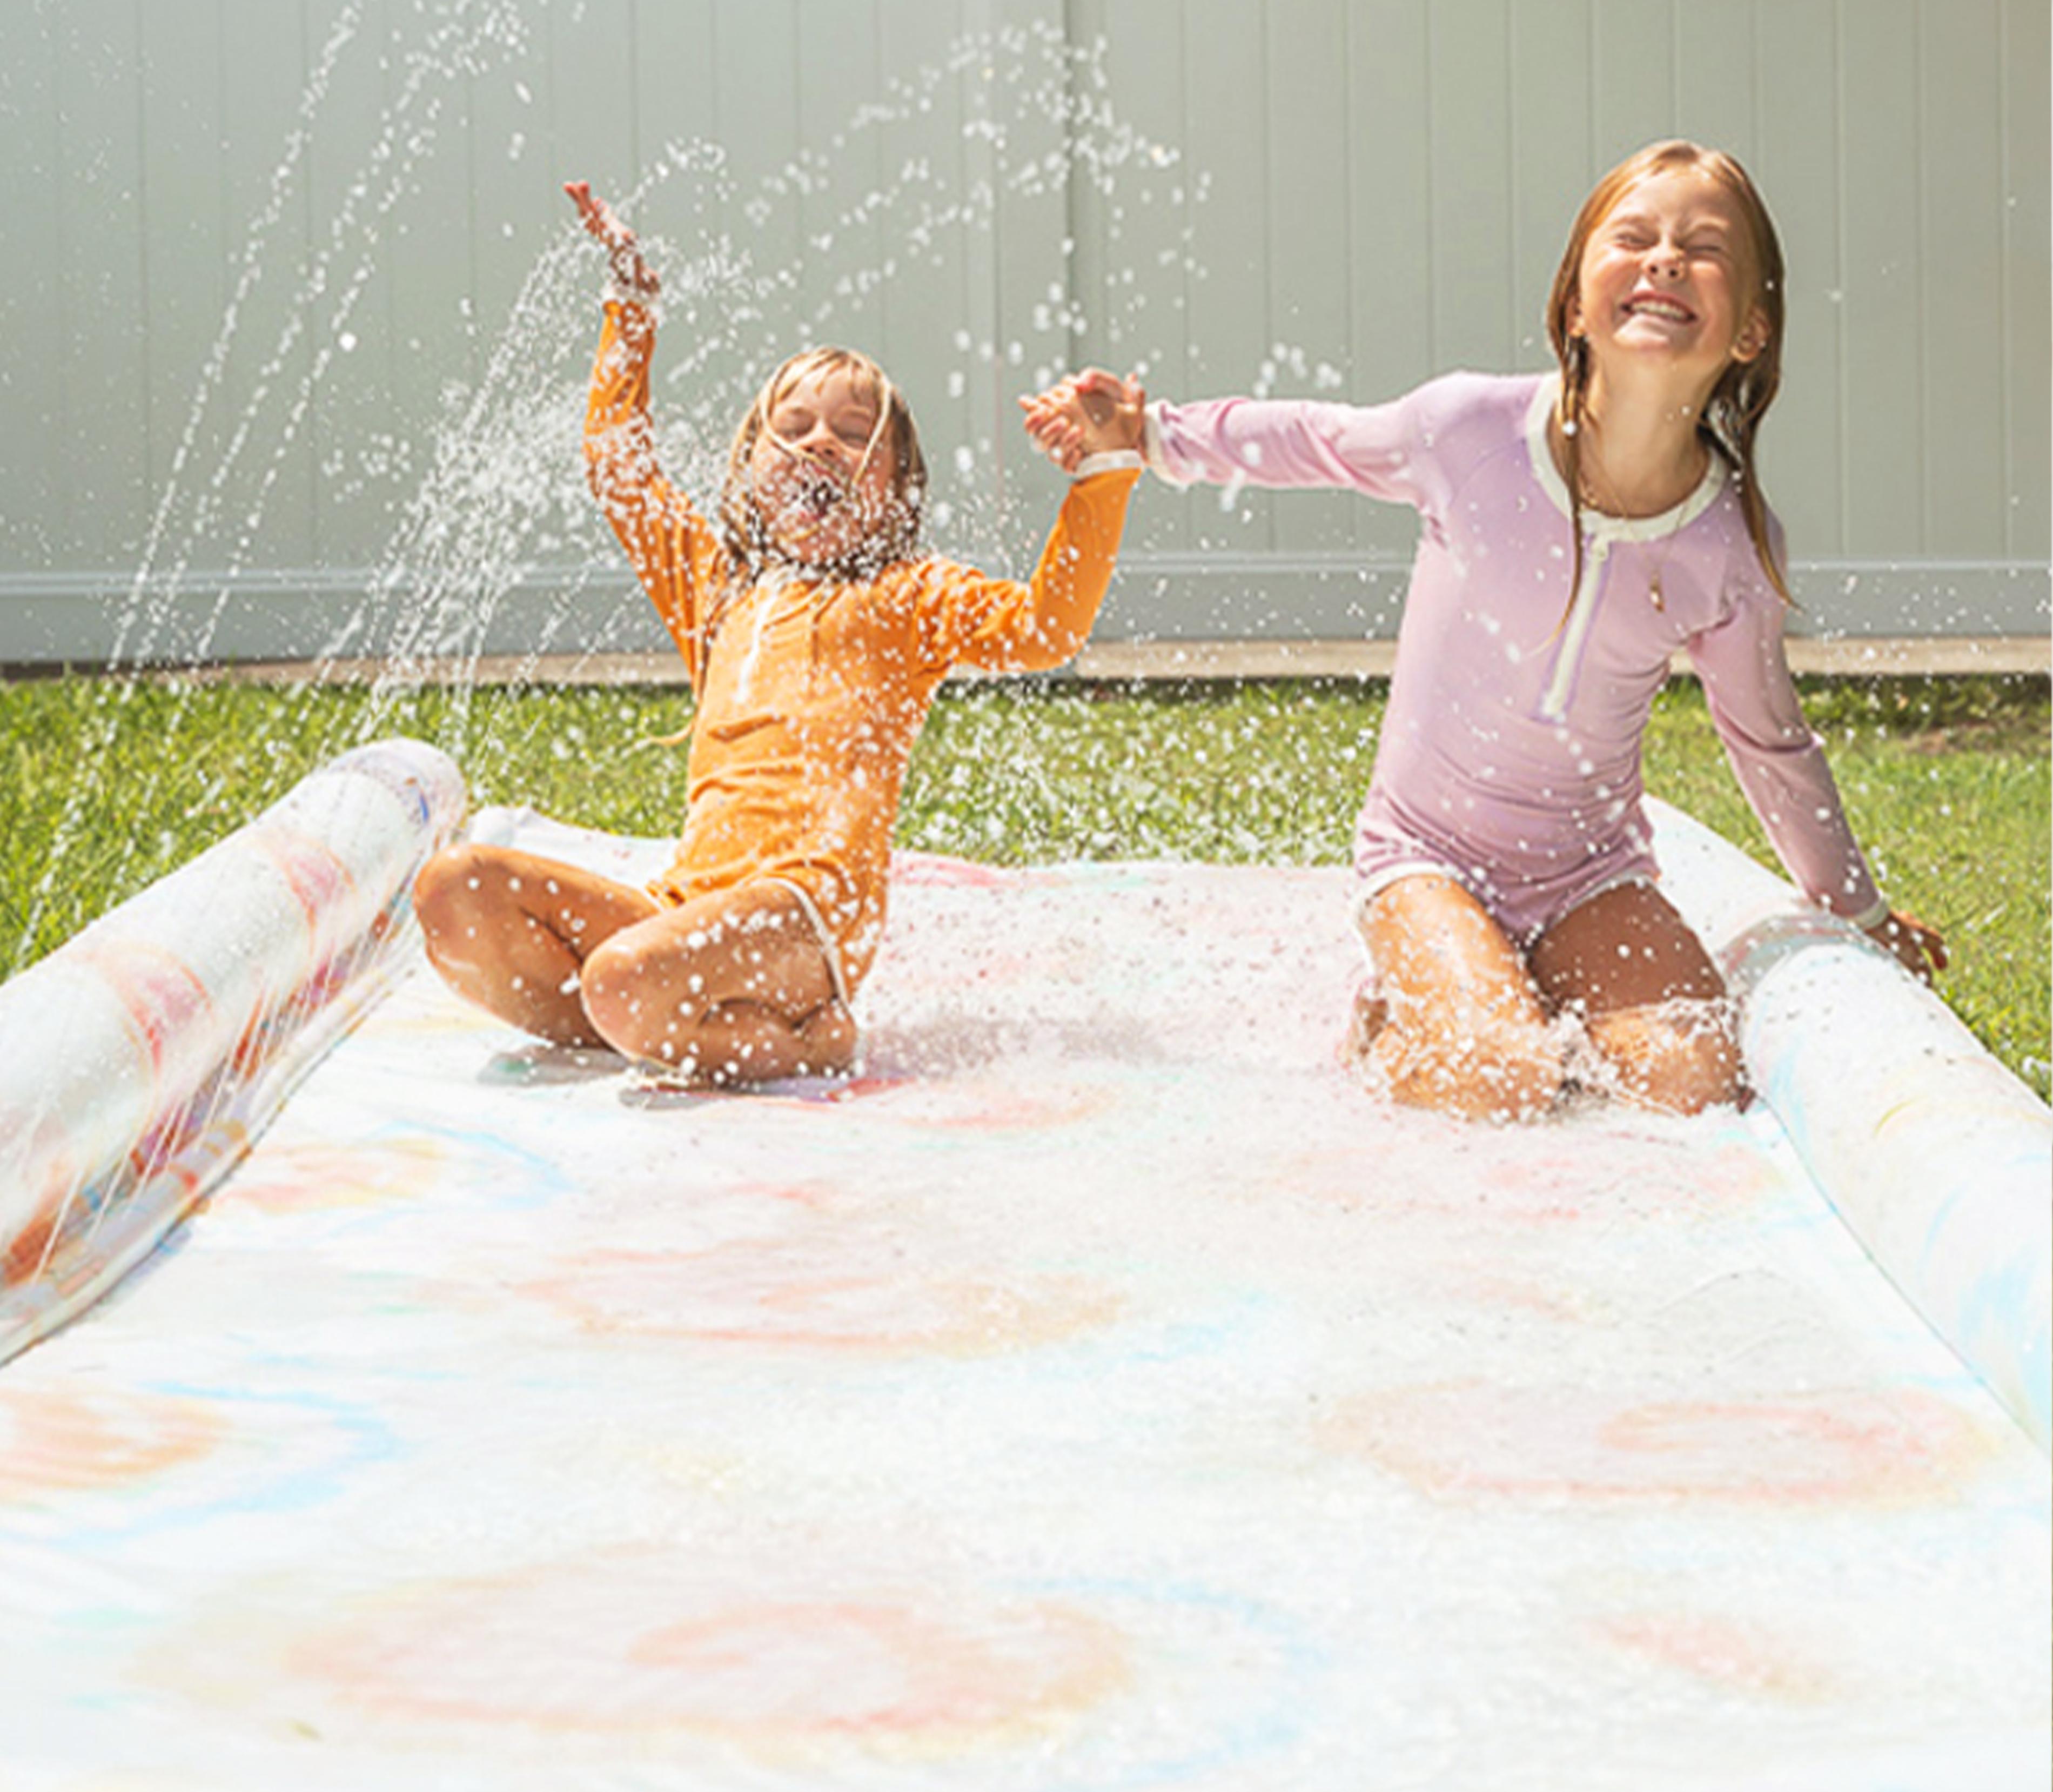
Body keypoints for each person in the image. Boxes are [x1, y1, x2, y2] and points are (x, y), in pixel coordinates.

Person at [1025, 138, 1944, 1120]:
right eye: (1633, 238)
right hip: (1424, 859)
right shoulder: (1470, 433)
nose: (1667, 259)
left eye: (1704, 248)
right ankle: (1399, 1018)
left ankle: (1514, 983)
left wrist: (1855, 912)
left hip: (1589, 872)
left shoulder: (1729, 544)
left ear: (1753, 329)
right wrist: (1154, 432)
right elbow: (1316, 440)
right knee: (1497, 1074)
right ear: (1574, 305)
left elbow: (1765, 736)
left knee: (1697, 1081)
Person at [413, 182, 1143, 1084]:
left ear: (899, 484)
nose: (818, 446)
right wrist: (632, 308)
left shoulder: (904, 598)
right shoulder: (719, 593)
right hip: (686, 914)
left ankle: (795, 1032)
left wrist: (1103, 474)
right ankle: (664, 1018)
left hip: (808, 916)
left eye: (853, 433)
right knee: (456, 891)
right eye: (791, 429)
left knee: (621, 980)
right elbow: (618, 468)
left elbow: (1044, 628)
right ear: (751, 463)